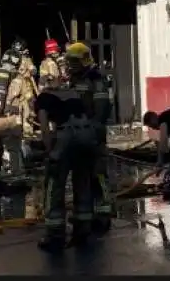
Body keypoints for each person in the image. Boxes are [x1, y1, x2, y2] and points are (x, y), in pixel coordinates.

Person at [35, 82, 98, 253]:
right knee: (83, 180)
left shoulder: (42, 99)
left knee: (54, 183)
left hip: (67, 134)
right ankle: (83, 229)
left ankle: (55, 235)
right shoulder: (72, 93)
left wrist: (49, 151)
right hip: (87, 133)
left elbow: (44, 126)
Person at [64, 41, 113, 234]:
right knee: (80, 175)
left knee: (98, 174)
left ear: (84, 60)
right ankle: (84, 217)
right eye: (69, 61)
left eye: (74, 61)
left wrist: (93, 129)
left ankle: (103, 216)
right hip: (77, 133)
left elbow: (101, 109)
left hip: (93, 133)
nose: (70, 64)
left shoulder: (96, 78)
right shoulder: (75, 78)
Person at [0, 50, 35, 181]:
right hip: (11, 120)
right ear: (18, 63)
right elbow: (30, 98)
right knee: (14, 149)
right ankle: (18, 178)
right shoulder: (20, 79)